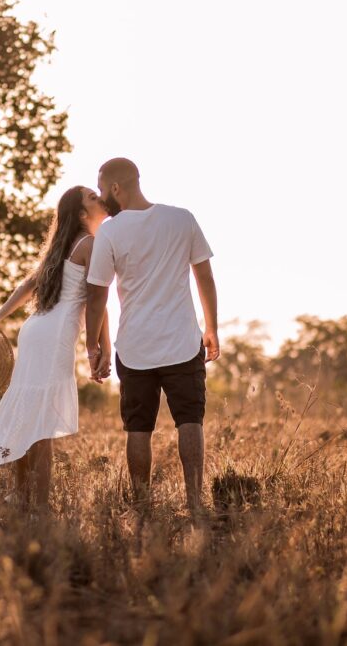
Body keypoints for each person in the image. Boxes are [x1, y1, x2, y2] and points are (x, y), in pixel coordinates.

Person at [84, 158, 219, 512]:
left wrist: (91, 346)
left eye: (101, 190)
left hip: (134, 348)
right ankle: (194, 502)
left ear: (115, 188)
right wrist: (212, 328)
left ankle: (142, 505)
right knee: (190, 421)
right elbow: (204, 276)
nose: (101, 198)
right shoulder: (181, 218)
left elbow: (97, 294)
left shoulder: (110, 232)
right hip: (181, 343)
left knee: (138, 429)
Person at [0, 185, 110, 510]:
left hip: (35, 329)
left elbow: (27, 284)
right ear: (81, 214)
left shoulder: (59, 248)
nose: (100, 199)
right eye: (93, 197)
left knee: (28, 413)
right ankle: (40, 508)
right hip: (56, 333)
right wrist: (101, 347)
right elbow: (98, 299)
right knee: (43, 421)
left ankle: (21, 494)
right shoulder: (91, 244)